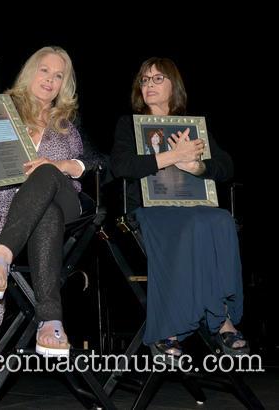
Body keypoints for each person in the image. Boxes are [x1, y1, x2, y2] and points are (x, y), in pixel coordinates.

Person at [0, 46, 95, 357]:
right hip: (22, 211)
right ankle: (51, 319)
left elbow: (97, 161)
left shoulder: (68, 121)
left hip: (68, 202)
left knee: (45, 172)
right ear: (30, 72)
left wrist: (62, 166)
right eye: (44, 71)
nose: (50, 80)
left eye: (59, 75)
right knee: (46, 214)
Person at [110, 57, 248, 363]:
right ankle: (170, 328)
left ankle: (222, 316)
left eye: (158, 79)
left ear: (175, 85)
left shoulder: (194, 126)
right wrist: (172, 156)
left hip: (193, 207)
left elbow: (226, 166)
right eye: (144, 80)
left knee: (221, 219)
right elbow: (120, 166)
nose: (149, 85)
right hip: (150, 209)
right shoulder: (128, 125)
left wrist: (197, 166)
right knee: (192, 225)